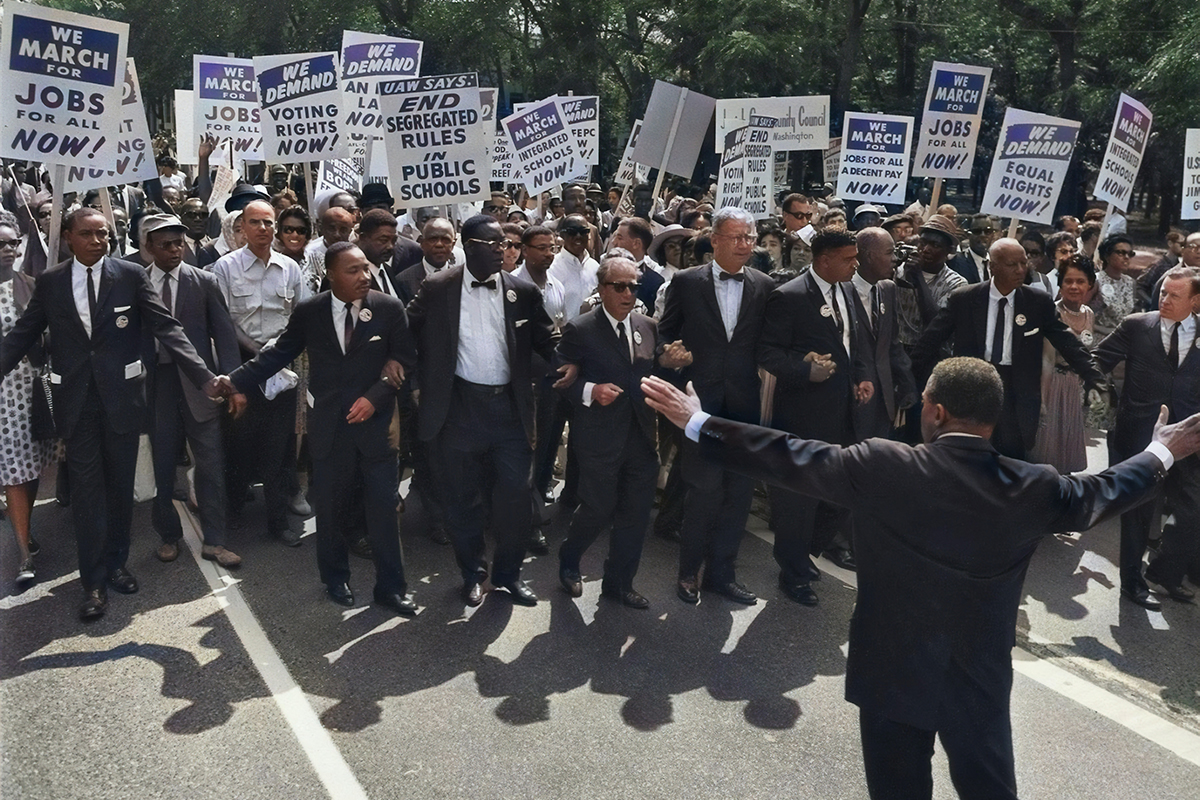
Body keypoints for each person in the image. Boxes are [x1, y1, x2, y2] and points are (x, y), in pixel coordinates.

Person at [642, 360, 1200, 800]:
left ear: (932, 411)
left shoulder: (883, 465)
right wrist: (1162, 451)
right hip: (977, 676)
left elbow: (786, 455)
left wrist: (697, 422)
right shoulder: (1034, 486)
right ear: (993, 417)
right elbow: (1100, 493)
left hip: (890, 668)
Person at [0, 208, 217, 620]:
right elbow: (22, 336)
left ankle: (117, 563)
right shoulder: (51, 283)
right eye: (88, 234)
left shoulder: (130, 276)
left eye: (104, 234)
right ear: (67, 237)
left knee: (120, 489)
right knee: (86, 493)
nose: (98, 241)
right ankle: (93, 582)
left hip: (122, 401)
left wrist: (204, 376)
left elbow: (167, 328)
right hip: (76, 404)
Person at [217, 242, 417, 615]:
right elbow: (278, 353)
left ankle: (391, 588)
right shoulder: (311, 312)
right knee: (331, 509)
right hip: (329, 429)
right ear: (331, 275)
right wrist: (234, 381)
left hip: (375, 429)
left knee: (383, 511)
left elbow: (404, 357)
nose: (364, 277)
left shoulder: (388, 308)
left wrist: (374, 396)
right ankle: (336, 578)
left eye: (365, 269)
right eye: (353, 270)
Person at [406, 215, 561, 607]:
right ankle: (473, 574)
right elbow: (405, 335)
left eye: (506, 245)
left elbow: (549, 339)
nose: (503, 251)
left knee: (514, 496)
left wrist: (575, 365)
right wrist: (412, 380)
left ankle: (508, 575)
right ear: (469, 246)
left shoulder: (522, 292)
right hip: (459, 410)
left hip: (509, 410)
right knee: (463, 500)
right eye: (494, 244)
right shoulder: (438, 287)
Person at [657, 207, 774, 605]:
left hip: (743, 404)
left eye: (751, 238)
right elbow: (665, 334)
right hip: (699, 404)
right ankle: (689, 573)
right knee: (703, 491)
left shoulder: (764, 285)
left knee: (738, 493)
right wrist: (668, 356)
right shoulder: (688, 283)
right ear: (715, 240)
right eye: (737, 237)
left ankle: (723, 575)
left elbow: (770, 345)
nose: (745, 245)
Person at [554, 257, 683, 609]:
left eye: (634, 287)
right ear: (602, 289)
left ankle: (620, 583)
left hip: (641, 436)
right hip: (598, 437)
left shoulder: (647, 326)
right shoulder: (580, 329)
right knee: (597, 508)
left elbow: (654, 370)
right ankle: (569, 558)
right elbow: (560, 378)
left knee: (636, 514)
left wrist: (670, 363)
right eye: (620, 287)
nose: (628, 294)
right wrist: (590, 391)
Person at [759, 229, 874, 603]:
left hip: (844, 415)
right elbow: (768, 354)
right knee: (798, 501)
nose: (856, 264)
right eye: (848, 258)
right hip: (803, 418)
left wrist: (861, 378)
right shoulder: (789, 297)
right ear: (824, 259)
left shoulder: (848, 291)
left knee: (841, 496)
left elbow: (854, 345)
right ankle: (792, 573)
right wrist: (804, 370)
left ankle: (805, 552)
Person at [913, 239, 1105, 460]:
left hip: (1017, 398)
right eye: (1012, 265)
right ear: (992, 267)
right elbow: (930, 341)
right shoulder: (965, 299)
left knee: (1010, 465)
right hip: (973, 391)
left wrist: (1094, 375)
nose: (1021, 270)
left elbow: (1066, 341)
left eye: (1024, 263)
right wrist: (910, 379)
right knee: (968, 462)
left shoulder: (1037, 302)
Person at [141, 214, 246, 568]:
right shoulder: (136, 283)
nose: (175, 250)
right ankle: (168, 535)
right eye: (166, 244)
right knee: (163, 465)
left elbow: (225, 336)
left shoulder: (204, 281)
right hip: (157, 385)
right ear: (148, 247)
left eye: (179, 243)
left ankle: (215, 540)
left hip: (202, 386)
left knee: (211, 463)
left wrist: (232, 384)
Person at [1095, 266, 1200, 609]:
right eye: (1163, 292)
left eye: (1174, 295)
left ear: (1195, 301)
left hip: (1189, 440)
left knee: (1192, 509)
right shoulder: (1138, 325)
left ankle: (1165, 573)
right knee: (1139, 513)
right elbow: (1098, 360)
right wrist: (1097, 391)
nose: (1164, 299)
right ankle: (1132, 584)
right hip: (1141, 436)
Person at [211, 200, 309, 546]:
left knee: (279, 450)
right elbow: (222, 322)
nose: (263, 229)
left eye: (269, 223)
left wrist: (279, 355)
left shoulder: (290, 269)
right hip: (242, 370)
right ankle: (233, 514)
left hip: (283, 371)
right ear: (243, 227)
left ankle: (278, 521)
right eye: (256, 223)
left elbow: (300, 318)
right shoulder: (225, 268)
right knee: (239, 445)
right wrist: (257, 357)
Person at [0, 219, 54, 585]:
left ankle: (26, 526)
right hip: (2, 395)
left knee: (29, 468)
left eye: (12, 242)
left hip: (31, 390)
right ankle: (22, 554)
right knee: (15, 472)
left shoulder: (32, 286)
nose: (7, 248)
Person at [1029, 257, 1096, 474]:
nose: (1074, 287)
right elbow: (1047, 359)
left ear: (1090, 285)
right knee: (1047, 451)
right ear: (1060, 284)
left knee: (1066, 453)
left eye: (1080, 281)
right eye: (1068, 281)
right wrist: (1043, 400)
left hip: (1074, 386)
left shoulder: (1089, 314)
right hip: (1052, 383)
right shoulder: (1052, 313)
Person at [852, 227, 916, 441]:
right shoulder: (840, 290)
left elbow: (893, 342)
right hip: (852, 397)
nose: (895, 259)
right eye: (889, 253)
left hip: (884, 398)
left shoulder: (887, 289)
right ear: (869, 256)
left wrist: (906, 381)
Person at [394, 217, 456, 306]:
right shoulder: (403, 281)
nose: (439, 244)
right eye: (433, 239)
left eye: (445, 240)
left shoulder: (461, 278)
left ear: (453, 244)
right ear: (422, 243)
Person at [608, 217, 664, 312]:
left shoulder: (654, 283)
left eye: (619, 238)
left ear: (636, 243)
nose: (614, 242)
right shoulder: (606, 272)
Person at [1090, 234, 1137, 341]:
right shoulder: (1096, 281)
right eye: (1121, 253)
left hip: (1124, 341)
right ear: (1107, 256)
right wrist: (1107, 331)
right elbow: (1081, 316)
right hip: (1100, 341)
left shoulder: (1130, 282)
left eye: (1130, 254)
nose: (1126, 257)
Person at [1136, 231, 1187, 311]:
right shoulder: (1158, 265)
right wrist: (1152, 302)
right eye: (1181, 244)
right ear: (1170, 243)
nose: (1183, 248)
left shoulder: (1179, 265)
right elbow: (1139, 287)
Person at [947, 214, 999, 283]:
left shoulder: (998, 263)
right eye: (977, 231)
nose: (983, 235)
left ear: (992, 235)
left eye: (987, 231)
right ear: (969, 234)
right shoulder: (956, 261)